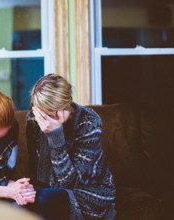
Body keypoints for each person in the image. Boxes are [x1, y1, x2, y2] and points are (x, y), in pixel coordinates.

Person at [26, 74, 116, 219]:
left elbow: (69, 183)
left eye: (50, 114)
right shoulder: (35, 118)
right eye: (42, 113)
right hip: (49, 190)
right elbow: (36, 172)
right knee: (20, 203)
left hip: (89, 192)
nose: (45, 120)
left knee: (47, 199)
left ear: (65, 106)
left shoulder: (89, 122)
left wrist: (55, 137)